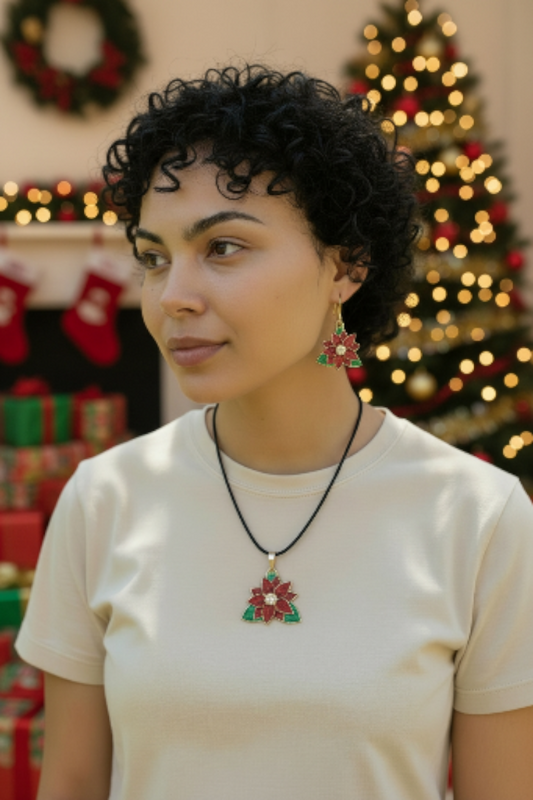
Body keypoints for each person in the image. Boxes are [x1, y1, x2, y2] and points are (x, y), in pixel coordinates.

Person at [15, 65, 533, 800]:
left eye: (223, 247)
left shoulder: (478, 517)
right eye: (153, 258)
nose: (172, 297)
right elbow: (70, 783)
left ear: (346, 265)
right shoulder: (104, 500)